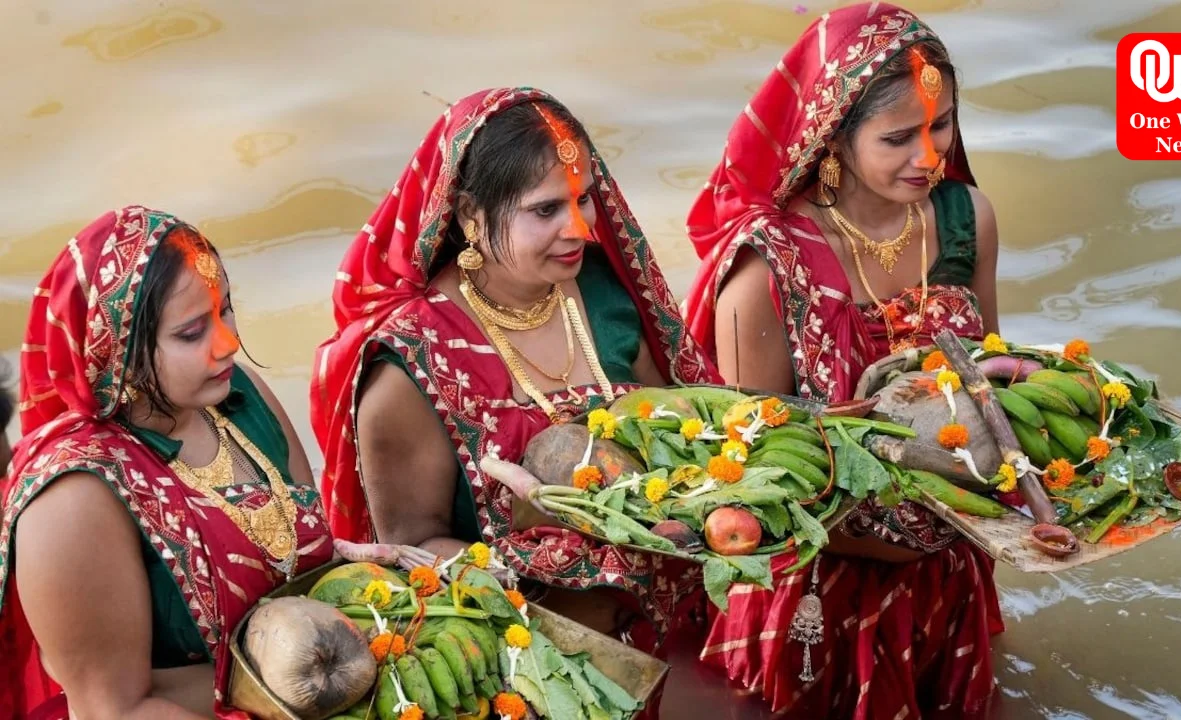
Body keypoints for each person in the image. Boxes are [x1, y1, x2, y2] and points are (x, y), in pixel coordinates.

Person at [310, 87, 720, 658]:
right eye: (547, 209)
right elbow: (414, 552)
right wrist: (547, 552)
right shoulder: (412, 361)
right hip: (531, 656)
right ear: (471, 218)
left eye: (585, 199)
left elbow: (680, 426)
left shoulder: (606, 293)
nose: (578, 228)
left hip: (668, 625)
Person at [681, 4, 1004, 718]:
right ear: (834, 137)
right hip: (818, 585)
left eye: (942, 124)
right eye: (898, 138)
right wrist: (881, 536)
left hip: (950, 552)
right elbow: (756, 472)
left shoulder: (964, 219)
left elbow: (986, 383)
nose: (930, 156)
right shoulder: (767, 271)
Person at [0, 207, 341, 719]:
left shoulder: (238, 400)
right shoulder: (73, 499)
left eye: (226, 310)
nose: (228, 345)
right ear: (117, 351)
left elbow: (318, 563)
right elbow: (114, 710)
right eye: (191, 332)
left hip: (330, 680)